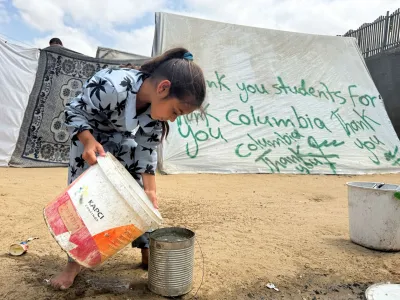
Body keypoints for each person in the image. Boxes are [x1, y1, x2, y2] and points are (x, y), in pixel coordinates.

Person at [50, 47, 206, 290]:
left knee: (141, 197)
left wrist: (151, 193)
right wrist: (89, 141)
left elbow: (147, 151)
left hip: (125, 143)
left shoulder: (155, 113)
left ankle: (147, 250)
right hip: (91, 140)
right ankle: (74, 263)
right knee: (88, 200)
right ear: (163, 88)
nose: (173, 119)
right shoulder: (113, 86)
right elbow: (75, 109)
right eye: (175, 112)